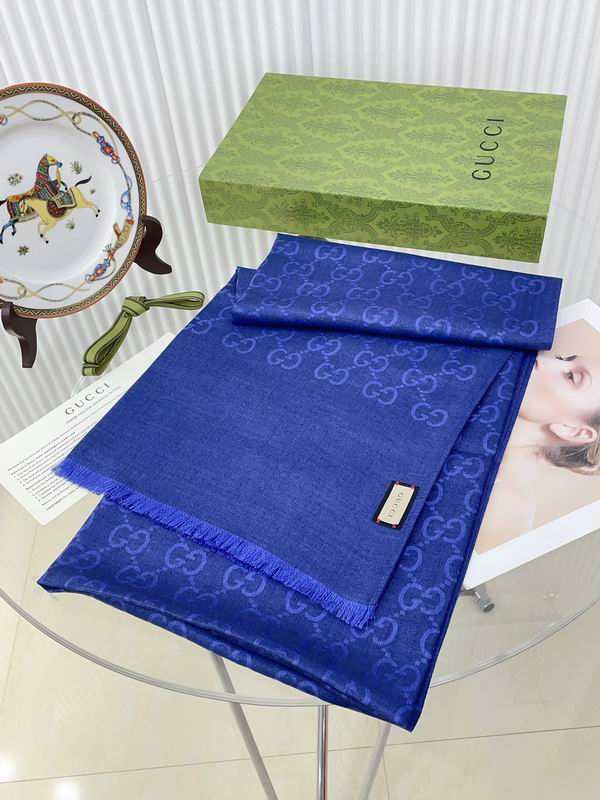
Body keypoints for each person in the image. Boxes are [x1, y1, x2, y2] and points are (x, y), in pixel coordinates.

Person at [476, 353, 600, 552]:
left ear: (573, 430)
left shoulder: (505, 512)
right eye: (562, 359)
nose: (543, 359)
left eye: (571, 376)